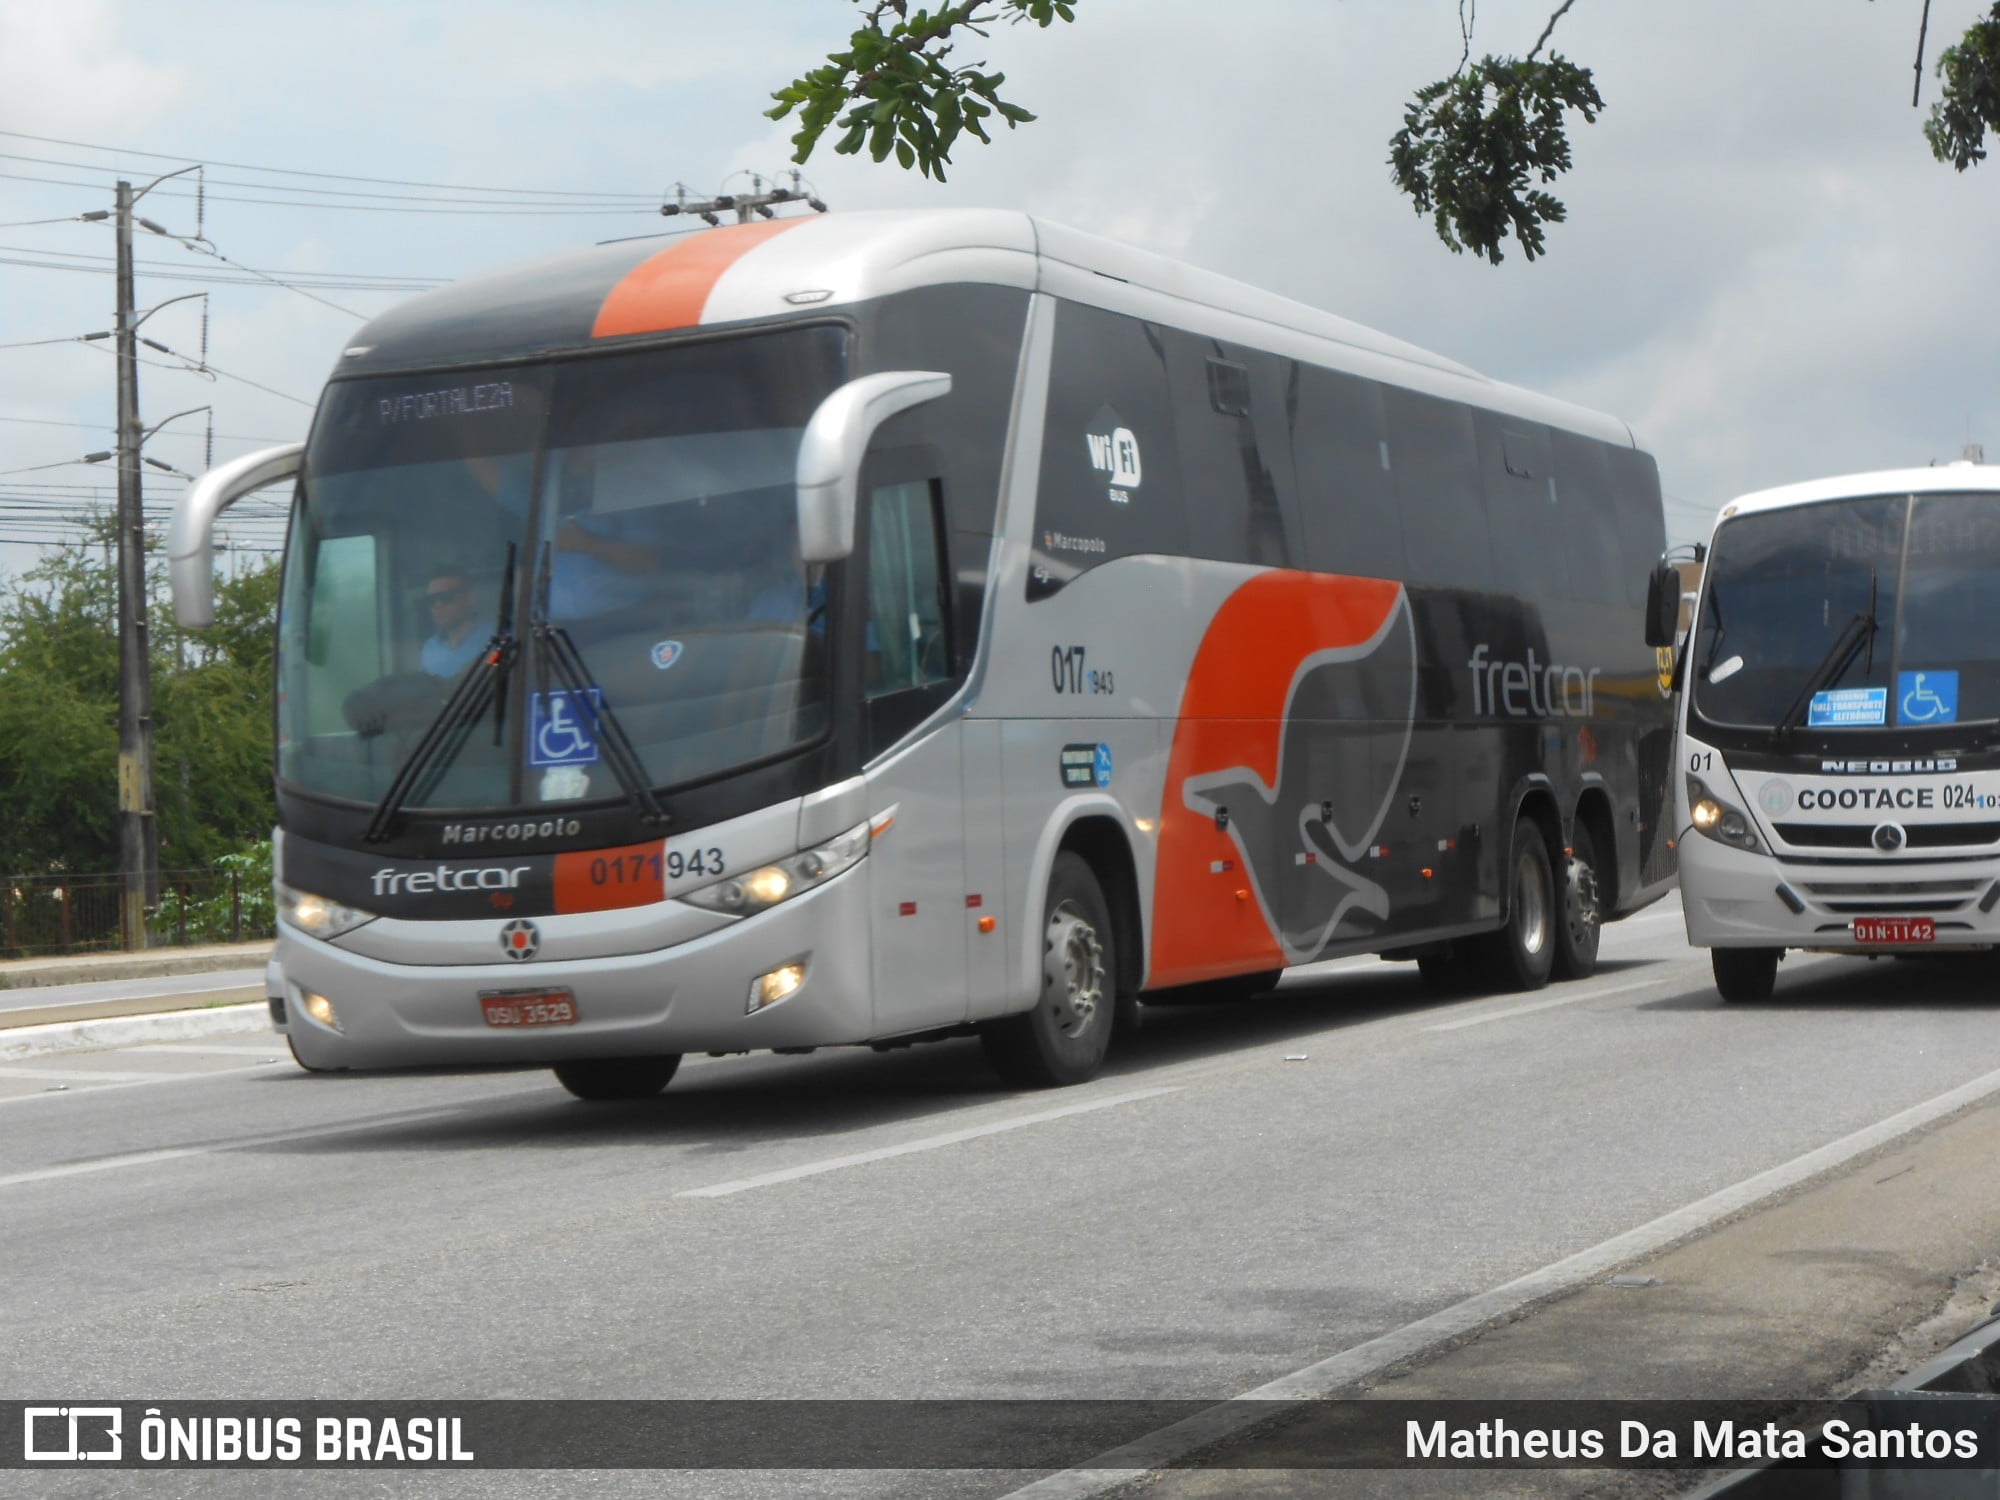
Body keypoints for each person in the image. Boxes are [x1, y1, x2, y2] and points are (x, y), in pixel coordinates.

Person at [419, 567, 493, 679]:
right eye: (432, 600)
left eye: (446, 597)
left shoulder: (495, 639)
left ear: (470, 598)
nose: (438, 605)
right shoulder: (429, 649)